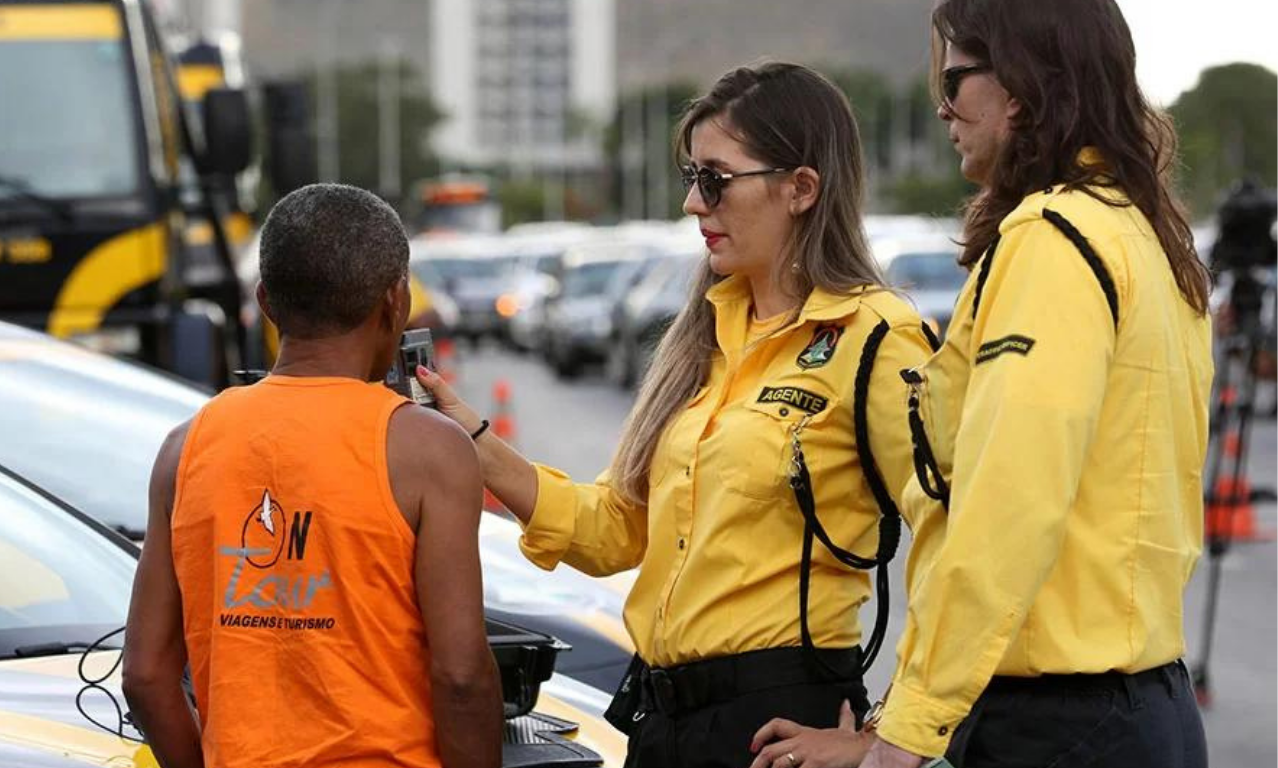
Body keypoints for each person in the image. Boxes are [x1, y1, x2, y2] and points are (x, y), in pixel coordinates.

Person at [417, 62, 932, 768]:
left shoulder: (874, 336)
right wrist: (469, 439)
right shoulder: (704, 335)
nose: (693, 203)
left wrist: (885, 735)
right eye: (691, 177)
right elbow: (614, 531)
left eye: (715, 179)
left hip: (776, 729)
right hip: (663, 724)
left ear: (801, 188)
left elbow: (964, 541)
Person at [757, 0, 1214, 766]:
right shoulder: (1142, 234)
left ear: (1023, 87)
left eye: (955, 77)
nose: (942, 104)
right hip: (1132, 710)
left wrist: (900, 739)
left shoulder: (1054, 240)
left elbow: (1007, 504)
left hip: (1057, 724)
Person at [123, 183, 502, 768]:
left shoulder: (184, 449)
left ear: (266, 304)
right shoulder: (427, 450)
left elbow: (146, 675)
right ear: (395, 302)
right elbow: (459, 675)